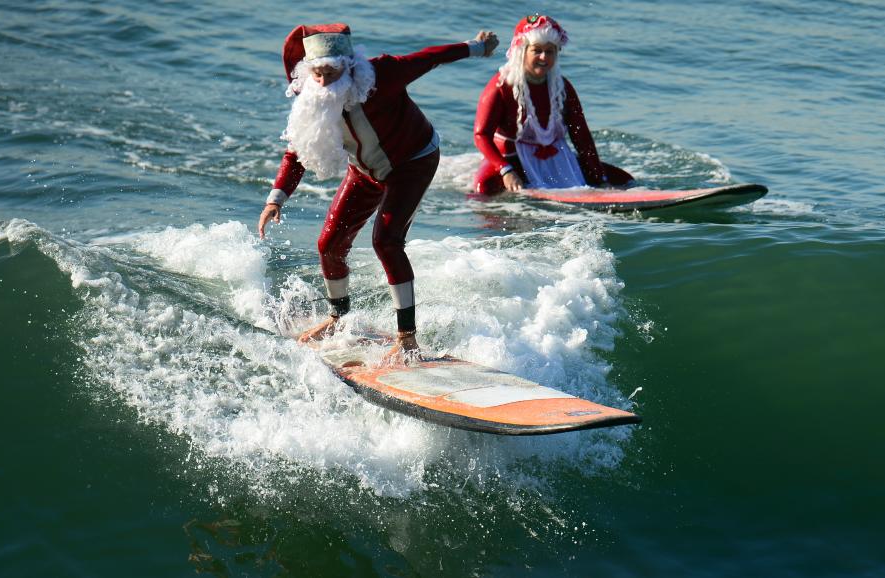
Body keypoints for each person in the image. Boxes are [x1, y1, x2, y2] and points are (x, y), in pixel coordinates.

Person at [257, 23, 499, 361]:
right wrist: (275, 198)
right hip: (365, 170)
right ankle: (338, 318)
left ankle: (407, 339)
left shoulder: (381, 74)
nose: (325, 80)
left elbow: (429, 58)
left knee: (386, 241)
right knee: (329, 244)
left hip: (412, 161)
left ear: (348, 65)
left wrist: (475, 47)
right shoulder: (311, 97)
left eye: (332, 71)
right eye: (318, 73)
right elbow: (296, 152)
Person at [473, 14, 633, 195]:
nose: (544, 57)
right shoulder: (501, 87)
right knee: (483, 190)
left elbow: (581, 136)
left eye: (550, 51)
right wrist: (505, 170)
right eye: (537, 50)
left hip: (556, 157)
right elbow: (481, 135)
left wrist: (600, 179)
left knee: (625, 181)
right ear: (522, 51)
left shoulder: (562, 88)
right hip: (510, 159)